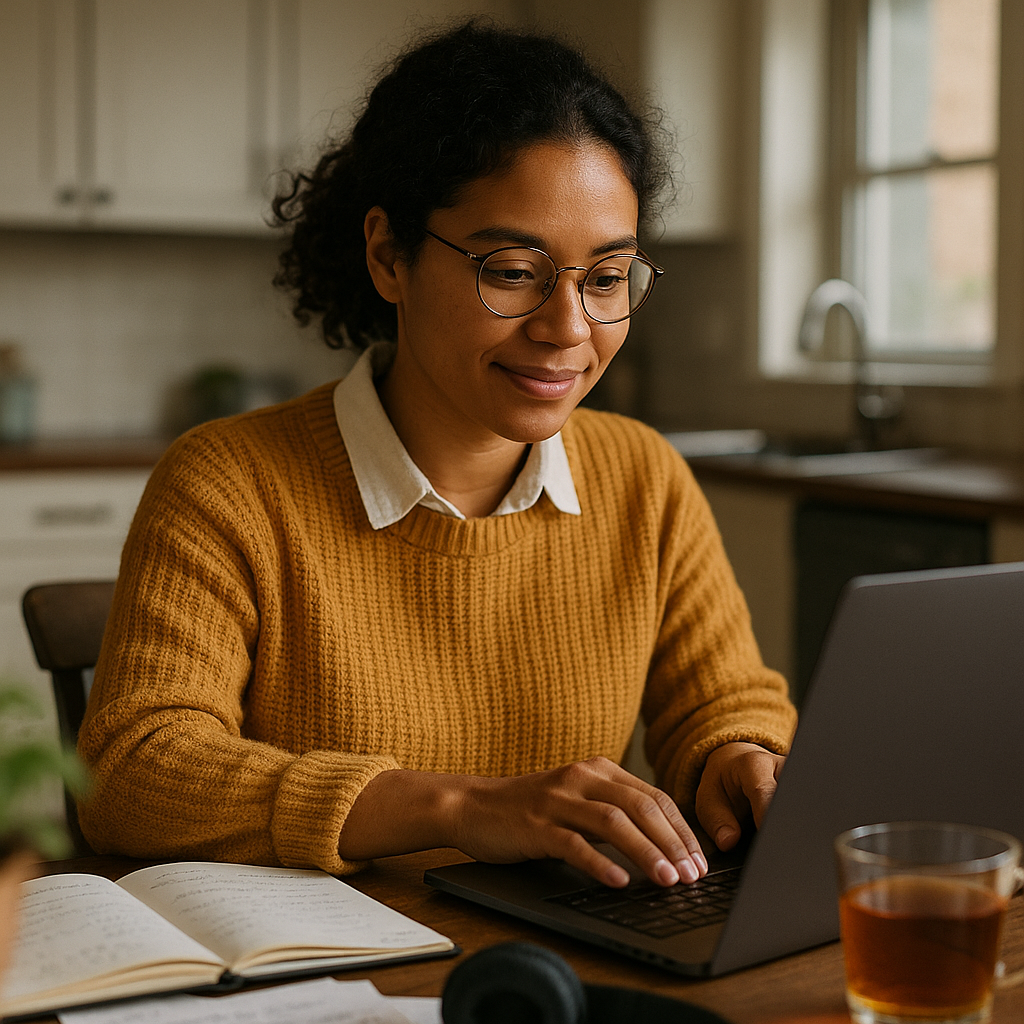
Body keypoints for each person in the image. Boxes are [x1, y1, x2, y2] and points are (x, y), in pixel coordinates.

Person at [77, 21, 796, 890]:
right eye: (513, 270)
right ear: (390, 256)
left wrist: (739, 757)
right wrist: (459, 807)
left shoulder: (644, 478)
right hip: (334, 960)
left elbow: (725, 704)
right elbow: (132, 772)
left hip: (563, 953)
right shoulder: (229, 483)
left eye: (606, 278)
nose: (568, 329)